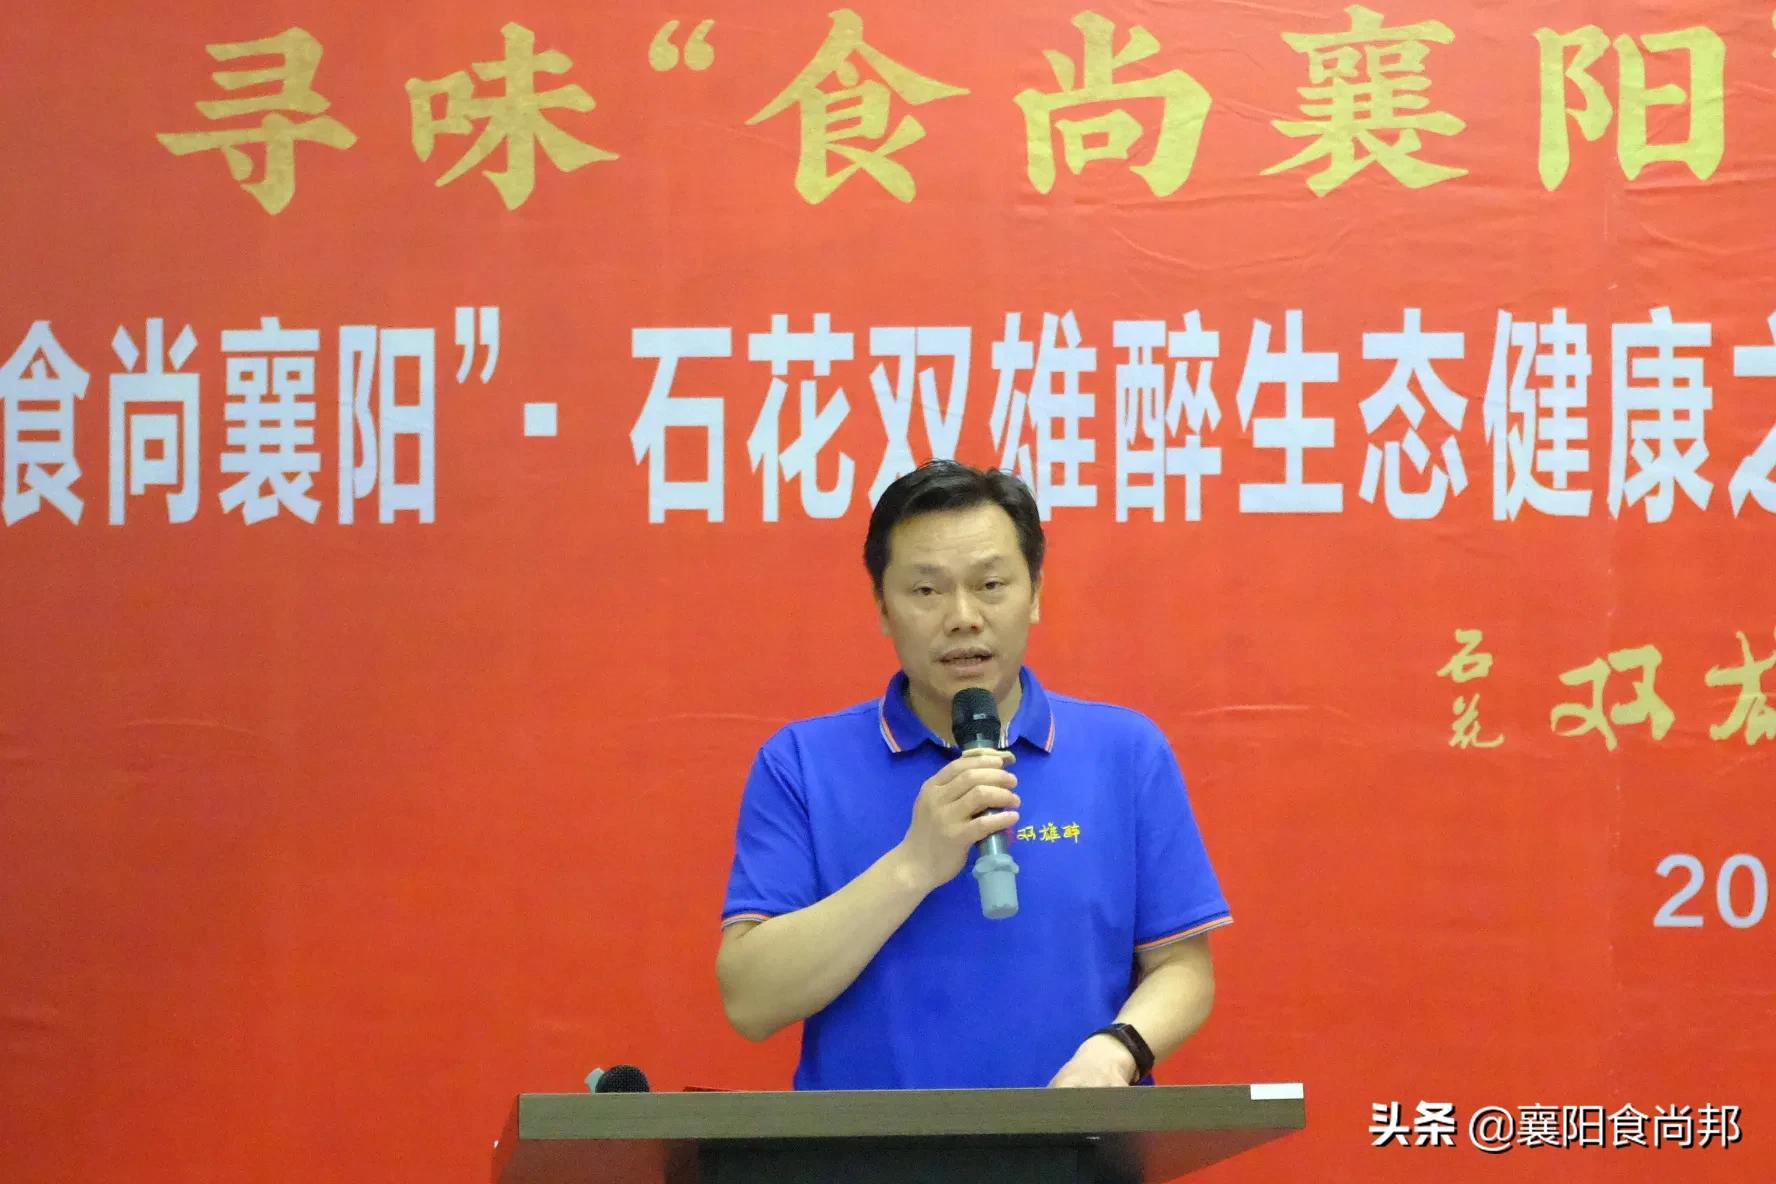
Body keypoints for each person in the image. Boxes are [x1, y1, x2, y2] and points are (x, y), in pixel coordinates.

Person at [716, 459, 1230, 1089]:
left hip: (1078, 1138)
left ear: (1034, 593)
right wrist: (914, 864)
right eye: (926, 591)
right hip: (865, 1146)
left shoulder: (1125, 752)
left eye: (990, 584)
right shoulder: (800, 763)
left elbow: (1183, 967)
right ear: (882, 607)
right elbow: (751, 1001)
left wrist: (1114, 1052)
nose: (962, 616)